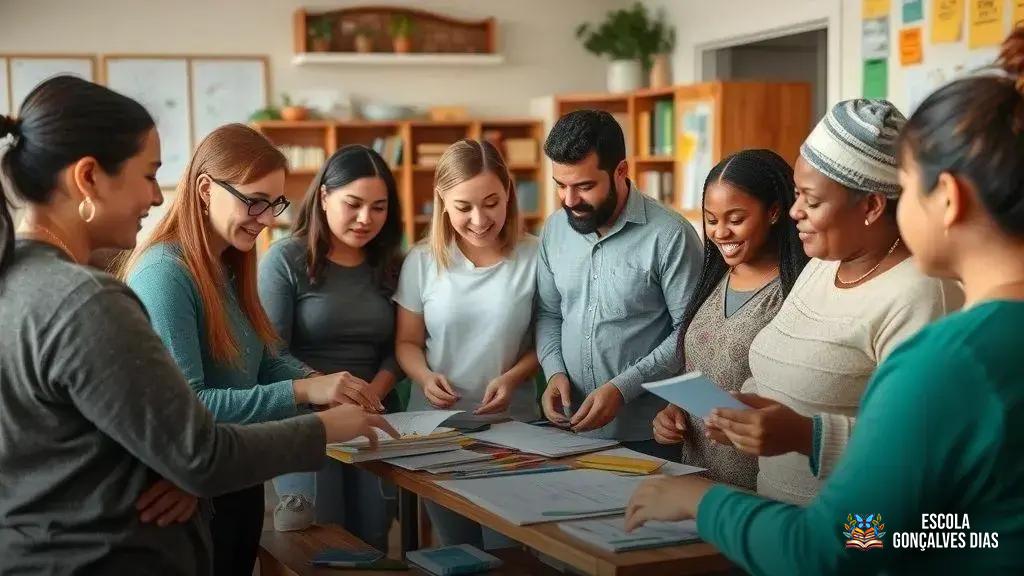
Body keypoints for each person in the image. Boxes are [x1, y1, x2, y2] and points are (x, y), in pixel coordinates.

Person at [625, 29, 1024, 574]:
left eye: (910, 189)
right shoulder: (833, 279)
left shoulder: (950, 356)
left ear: (948, 198)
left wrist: (702, 503)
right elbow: (954, 530)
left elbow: (844, 545)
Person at [0, 76, 396, 575]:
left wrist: (314, 386)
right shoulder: (100, 295)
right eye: (148, 175)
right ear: (88, 177)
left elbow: (133, 427)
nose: (155, 194)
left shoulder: (26, 279)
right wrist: (315, 420)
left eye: (274, 205)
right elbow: (194, 444)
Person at [120, 124, 383, 576]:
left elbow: (266, 358)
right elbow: (193, 407)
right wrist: (305, 393)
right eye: (254, 201)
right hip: (190, 498)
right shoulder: (165, 273)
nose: (266, 217)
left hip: (236, 480)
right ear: (205, 189)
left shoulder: (228, 264)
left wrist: (326, 385)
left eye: (275, 203)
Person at [688, 100, 962, 507]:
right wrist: (743, 409)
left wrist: (804, 435)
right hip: (780, 524)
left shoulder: (921, 294)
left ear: (870, 206)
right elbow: (784, 371)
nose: (795, 211)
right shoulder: (820, 266)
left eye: (812, 201)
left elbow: (925, 447)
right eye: (797, 194)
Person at [394, 139, 539, 548]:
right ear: (442, 201)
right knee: (457, 552)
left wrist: (512, 378)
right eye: (464, 207)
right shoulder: (422, 260)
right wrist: (424, 378)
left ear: (509, 192)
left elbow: (543, 342)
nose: (479, 219)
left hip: (513, 429)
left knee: (508, 550)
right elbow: (406, 342)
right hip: (436, 432)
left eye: (491, 202)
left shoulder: (535, 256)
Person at [259, 144, 403, 547]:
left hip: (375, 418)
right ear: (323, 196)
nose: (365, 219)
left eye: (379, 207)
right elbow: (271, 351)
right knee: (320, 541)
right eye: (353, 204)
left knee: (374, 539)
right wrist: (327, 391)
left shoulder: (392, 263)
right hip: (307, 422)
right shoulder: (284, 259)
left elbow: (402, 345)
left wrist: (372, 392)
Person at [537, 109, 702, 459]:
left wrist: (621, 389)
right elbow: (549, 314)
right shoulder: (553, 230)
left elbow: (690, 333)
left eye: (584, 186)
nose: (569, 200)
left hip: (649, 438)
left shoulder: (670, 236)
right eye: (561, 186)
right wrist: (554, 372)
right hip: (568, 433)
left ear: (621, 171)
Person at [651, 149, 808, 489]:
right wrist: (673, 410)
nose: (721, 232)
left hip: (762, 487)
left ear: (775, 212)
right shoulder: (713, 279)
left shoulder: (795, 292)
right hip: (697, 479)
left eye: (735, 220)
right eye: (711, 220)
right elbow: (703, 367)